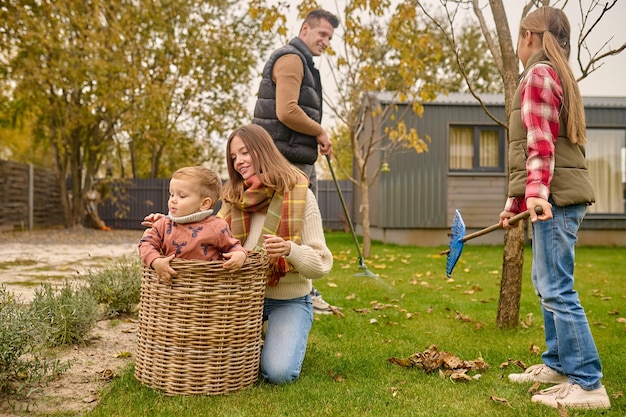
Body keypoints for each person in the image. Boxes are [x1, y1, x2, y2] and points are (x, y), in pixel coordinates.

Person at [500, 7, 610, 410]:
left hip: (554, 198)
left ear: (529, 36)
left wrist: (535, 195)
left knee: (557, 288)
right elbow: (532, 148)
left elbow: (541, 144)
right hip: (553, 195)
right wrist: (516, 202)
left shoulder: (540, 74)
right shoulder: (552, 72)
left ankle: (588, 383)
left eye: (518, 36)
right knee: (546, 284)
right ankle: (558, 364)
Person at [219, 124, 333, 384]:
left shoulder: (300, 195)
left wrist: (290, 250)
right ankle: (262, 338)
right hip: (242, 299)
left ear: (263, 150)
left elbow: (322, 264)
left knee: (278, 373)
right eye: (233, 157)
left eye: (245, 152)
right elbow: (206, 237)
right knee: (214, 358)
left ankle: (278, 333)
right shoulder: (233, 197)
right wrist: (170, 223)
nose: (238, 162)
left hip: (289, 300)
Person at [253, 9, 340, 314]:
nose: (326, 41)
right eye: (322, 34)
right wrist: (320, 131)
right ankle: (292, 293)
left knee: (298, 230)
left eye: (329, 36)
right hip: (282, 159)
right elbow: (286, 111)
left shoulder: (304, 63)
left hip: (294, 155)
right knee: (290, 226)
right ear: (305, 29)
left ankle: (303, 289)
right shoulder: (291, 59)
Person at [138, 166, 247, 284]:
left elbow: (232, 246)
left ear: (204, 203)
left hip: (205, 289)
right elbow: (146, 243)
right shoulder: (163, 224)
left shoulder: (217, 226)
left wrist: (240, 254)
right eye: (171, 194)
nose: (173, 200)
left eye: (182, 196)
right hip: (170, 288)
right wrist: (156, 261)